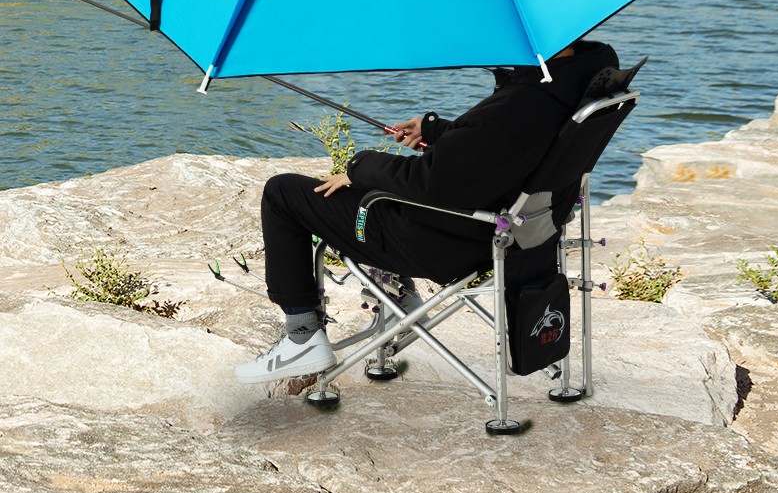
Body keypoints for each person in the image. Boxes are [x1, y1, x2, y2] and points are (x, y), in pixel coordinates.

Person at [236, 37, 618, 383]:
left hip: (444, 241)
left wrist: (359, 167)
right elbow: (500, 148)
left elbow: (428, 182)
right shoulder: (576, 86)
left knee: (284, 192)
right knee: (363, 196)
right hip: (518, 234)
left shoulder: (521, 102)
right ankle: (400, 298)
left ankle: (303, 337)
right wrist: (436, 131)